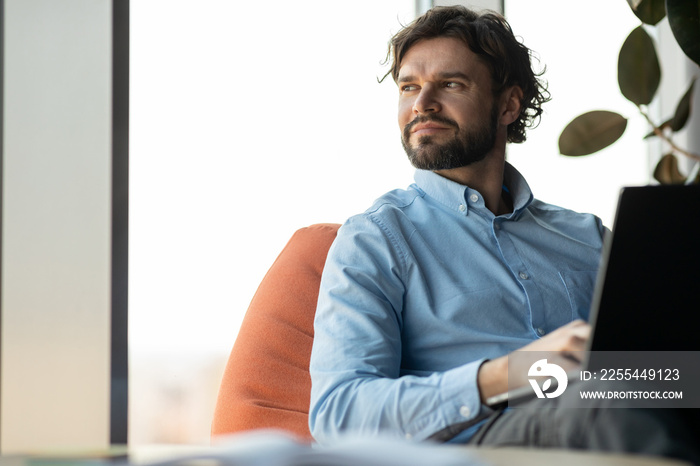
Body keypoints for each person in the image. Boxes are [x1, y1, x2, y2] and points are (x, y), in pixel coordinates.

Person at [308, 5, 699, 462]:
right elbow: (338, 416)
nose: (422, 103)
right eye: (409, 86)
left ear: (508, 105)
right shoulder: (375, 239)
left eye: (450, 84)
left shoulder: (588, 238)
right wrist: (508, 375)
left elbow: (663, 374)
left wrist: (667, 378)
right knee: (610, 407)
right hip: (482, 442)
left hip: (609, 408)